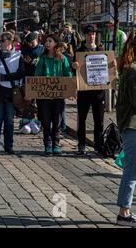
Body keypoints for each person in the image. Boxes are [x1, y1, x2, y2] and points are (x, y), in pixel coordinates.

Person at [34, 34, 73, 156]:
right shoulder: (43, 58)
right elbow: (37, 76)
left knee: (57, 121)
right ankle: (48, 145)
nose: (47, 43)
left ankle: (56, 144)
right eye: (46, 41)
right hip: (44, 96)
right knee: (46, 121)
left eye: (50, 41)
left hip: (58, 96)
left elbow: (68, 75)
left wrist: (70, 90)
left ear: (56, 43)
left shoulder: (62, 59)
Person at [71, 25, 107, 155]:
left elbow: (108, 69)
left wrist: (112, 65)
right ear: (85, 35)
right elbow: (73, 71)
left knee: (99, 120)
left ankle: (98, 145)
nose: (91, 36)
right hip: (84, 91)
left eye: (93, 34)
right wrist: (74, 66)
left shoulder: (101, 50)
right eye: (89, 34)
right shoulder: (79, 51)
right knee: (82, 119)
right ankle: (81, 144)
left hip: (98, 92)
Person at [0, 32, 25, 155]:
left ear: (10, 42)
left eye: (3, 41)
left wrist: (3, 77)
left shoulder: (18, 56)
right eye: (0, 40)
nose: (1, 43)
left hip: (10, 92)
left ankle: (9, 146)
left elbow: (20, 73)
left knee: (9, 120)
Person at [115, 31, 136, 226]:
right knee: (131, 170)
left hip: (130, 125)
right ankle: (124, 212)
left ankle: (125, 209)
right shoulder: (133, 70)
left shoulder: (129, 68)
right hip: (133, 125)